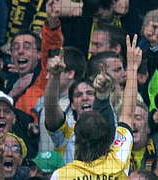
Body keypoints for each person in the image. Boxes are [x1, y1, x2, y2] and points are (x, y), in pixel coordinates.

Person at [50, 34, 142, 179]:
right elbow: (128, 114)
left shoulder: (62, 175)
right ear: (109, 140)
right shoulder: (118, 161)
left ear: (77, 141)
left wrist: (53, 77)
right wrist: (133, 67)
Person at [44, 46, 115, 164]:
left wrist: (103, 94)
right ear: (72, 105)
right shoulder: (66, 132)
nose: (85, 98)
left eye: (90, 93)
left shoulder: (109, 126)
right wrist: (55, 76)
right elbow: (51, 108)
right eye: (78, 95)